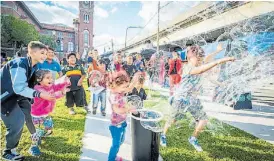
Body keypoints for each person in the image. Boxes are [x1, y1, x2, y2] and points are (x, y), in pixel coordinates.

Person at [160, 45, 235, 152]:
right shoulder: (188, 67)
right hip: (180, 98)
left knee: (203, 120)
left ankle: (193, 138)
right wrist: (221, 60)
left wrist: (217, 51)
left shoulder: (198, 62)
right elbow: (201, 70)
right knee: (173, 120)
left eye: (200, 57)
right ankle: (163, 135)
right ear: (190, 57)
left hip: (192, 98)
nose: (200, 59)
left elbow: (207, 59)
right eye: (198, 57)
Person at [1, 41, 55, 160]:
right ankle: (8, 151)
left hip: (18, 96)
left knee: (27, 114)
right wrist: (39, 94)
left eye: (46, 53)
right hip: (5, 98)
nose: (45, 56)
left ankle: (34, 135)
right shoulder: (20, 63)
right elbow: (19, 87)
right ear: (31, 52)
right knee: (16, 123)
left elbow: (32, 84)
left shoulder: (34, 66)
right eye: (42, 53)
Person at [30, 70, 70, 155]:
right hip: (37, 115)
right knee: (36, 132)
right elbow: (50, 96)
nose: (51, 79)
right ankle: (33, 146)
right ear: (39, 80)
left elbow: (56, 86)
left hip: (45, 112)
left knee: (49, 126)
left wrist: (64, 82)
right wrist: (62, 93)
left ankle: (43, 133)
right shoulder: (38, 89)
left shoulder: (49, 86)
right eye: (48, 78)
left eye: (51, 77)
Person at [107, 71, 138, 161]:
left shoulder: (119, 91)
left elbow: (129, 88)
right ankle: (111, 159)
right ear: (115, 85)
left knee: (121, 141)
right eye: (123, 87)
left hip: (122, 122)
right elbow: (118, 110)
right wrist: (129, 109)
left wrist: (134, 81)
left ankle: (114, 155)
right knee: (116, 144)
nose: (125, 88)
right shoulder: (114, 96)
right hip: (115, 125)